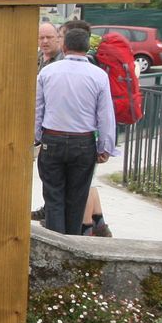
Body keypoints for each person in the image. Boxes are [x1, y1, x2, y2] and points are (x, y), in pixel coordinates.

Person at [34, 26, 117, 235]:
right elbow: (105, 115)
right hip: (83, 142)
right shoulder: (98, 76)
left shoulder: (47, 72)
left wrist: (36, 137)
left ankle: (55, 245)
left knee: (53, 197)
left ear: (64, 46)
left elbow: (38, 109)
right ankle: (72, 242)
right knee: (77, 199)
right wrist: (105, 147)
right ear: (87, 48)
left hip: (52, 140)